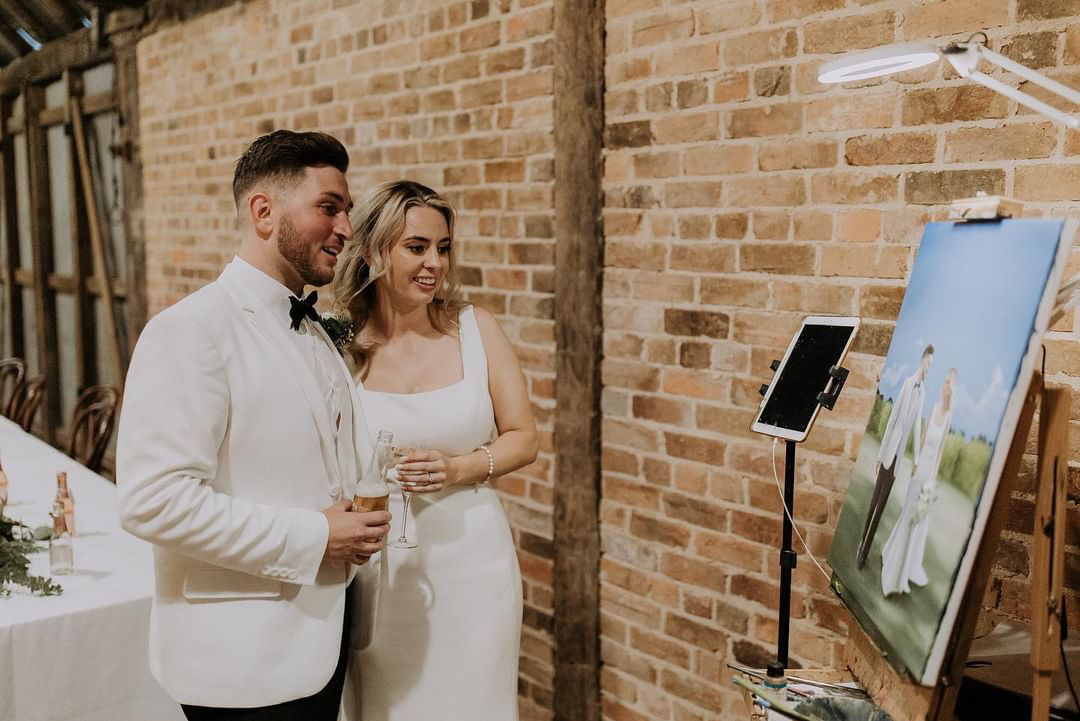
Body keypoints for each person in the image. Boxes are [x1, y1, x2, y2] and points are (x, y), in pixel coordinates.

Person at [116, 130, 391, 721]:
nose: (348, 227)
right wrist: (317, 536)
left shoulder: (316, 328)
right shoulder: (190, 330)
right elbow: (152, 501)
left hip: (321, 638)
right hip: (241, 657)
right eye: (329, 207)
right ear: (262, 212)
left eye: (346, 209)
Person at [332, 180, 538, 719]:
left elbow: (524, 437)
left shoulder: (475, 328)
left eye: (442, 248)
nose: (434, 264)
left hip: (475, 566)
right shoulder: (340, 348)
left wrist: (457, 468)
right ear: (375, 251)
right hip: (383, 572)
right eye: (416, 247)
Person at [881, 368, 958, 596]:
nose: (945, 387)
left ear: (953, 391)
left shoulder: (949, 417)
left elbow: (940, 451)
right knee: (906, 514)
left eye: (949, 384)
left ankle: (905, 568)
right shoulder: (934, 409)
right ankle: (892, 560)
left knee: (917, 520)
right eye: (945, 382)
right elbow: (923, 439)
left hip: (928, 476)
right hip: (918, 471)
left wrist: (931, 481)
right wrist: (914, 463)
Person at [857, 343, 934, 568]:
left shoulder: (923, 392)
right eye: (927, 364)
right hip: (888, 454)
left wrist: (917, 458)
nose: (928, 369)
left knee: (881, 508)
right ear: (922, 361)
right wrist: (880, 456)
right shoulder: (908, 385)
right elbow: (892, 422)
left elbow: (917, 427)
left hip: (898, 460)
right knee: (872, 504)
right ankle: (861, 544)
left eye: (931, 367)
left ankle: (865, 553)